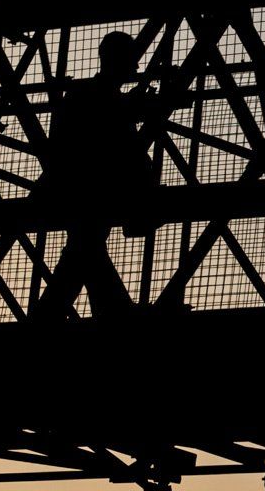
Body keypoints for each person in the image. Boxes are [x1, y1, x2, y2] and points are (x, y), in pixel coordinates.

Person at [35, 31, 158, 318]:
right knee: (85, 251)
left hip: (77, 188)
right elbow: (114, 134)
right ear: (119, 60)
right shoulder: (98, 97)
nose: (136, 67)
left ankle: (60, 316)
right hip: (94, 188)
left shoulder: (85, 94)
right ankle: (111, 314)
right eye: (132, 60)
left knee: (84, 251)